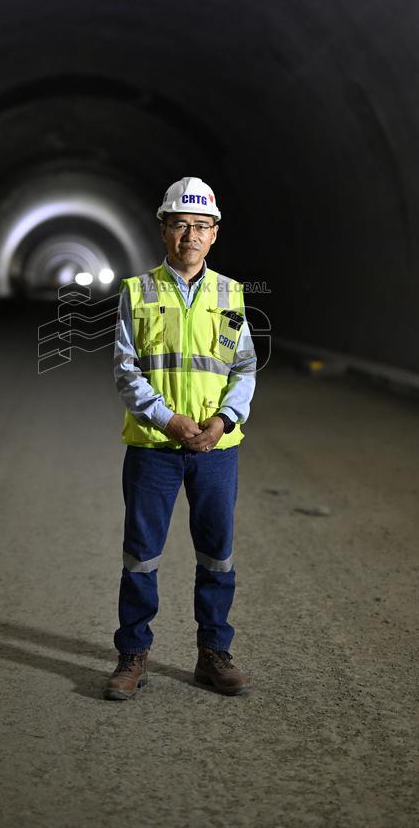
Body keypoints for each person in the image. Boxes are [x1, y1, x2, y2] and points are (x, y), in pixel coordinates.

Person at [103, 176, 257, 701]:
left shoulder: (231, 293)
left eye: (201, 225)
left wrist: (222, 422)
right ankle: (132, 654)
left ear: (214, 233)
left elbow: (244, 369)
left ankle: (213, 653)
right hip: (153, 447)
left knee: (218, 555)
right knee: (141, 556)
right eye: (179, 224)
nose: (190, 234)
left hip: (217, 450)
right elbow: (126, 370)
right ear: (163, 230)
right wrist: (167, 419)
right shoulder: (136, 291)